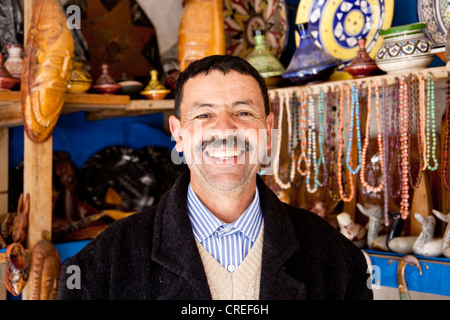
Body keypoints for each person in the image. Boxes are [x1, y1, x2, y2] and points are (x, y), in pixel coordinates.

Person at [58, 55, 372, 300]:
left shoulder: (336, 260)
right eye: (204, 114)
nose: (224, 129)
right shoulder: (101, 267)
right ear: (178, 134)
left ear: (268, 130)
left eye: (244, 113)